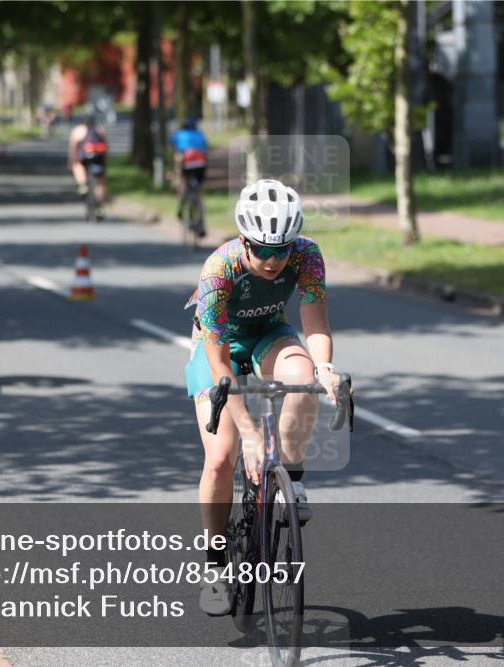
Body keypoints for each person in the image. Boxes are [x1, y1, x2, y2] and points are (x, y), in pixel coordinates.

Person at [184, 179, 342, 615]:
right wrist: (251, 435)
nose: (273, 261)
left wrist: (326, 368)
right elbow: (220, 368)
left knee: (303, 376)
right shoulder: (219, 269)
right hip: (218, 348)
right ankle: (215, 565)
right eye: (262, 250)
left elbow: (315, 322)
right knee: (222, 456)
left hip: (269, 333)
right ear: (243, 240)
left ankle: (292, 476)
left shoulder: (307, 255)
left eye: (281, 250)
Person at [169, 116, 208, 237]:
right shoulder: (201, 135)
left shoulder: (179, 135)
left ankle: (181, 207)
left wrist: (173, 170)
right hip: (200, 163)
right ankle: (201, 224)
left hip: (186, 162)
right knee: (200, 192)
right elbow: (206, 151)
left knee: (183, 182)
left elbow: (174, 150)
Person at [67, 114, 108, 217]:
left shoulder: (78, 130)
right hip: (98, 157)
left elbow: (73, 148)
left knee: (78, 166)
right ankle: (100, 207)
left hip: (84, 157)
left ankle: (83, 186)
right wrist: (105, 161)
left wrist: (72, 161)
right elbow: (106, 146)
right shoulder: (99, 129)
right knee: (99, 182)